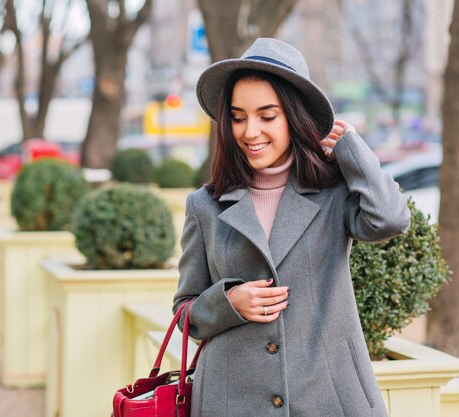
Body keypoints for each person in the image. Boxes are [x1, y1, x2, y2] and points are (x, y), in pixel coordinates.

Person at [173, 38, 410, 417]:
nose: (250, 131)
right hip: (231, 399)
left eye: (267, 116)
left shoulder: (333, 194)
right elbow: (185, 311)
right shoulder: (205, 205)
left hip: (326, 395)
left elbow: (390, 220)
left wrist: (352, 149)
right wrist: (227, 303)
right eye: (238, 116)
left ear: (294, 117)